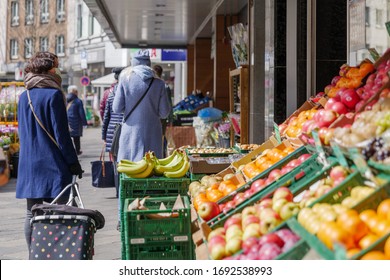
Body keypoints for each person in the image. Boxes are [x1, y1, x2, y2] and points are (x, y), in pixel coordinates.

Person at [16, 51, 83, 250]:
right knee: (58, 211)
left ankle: (34, 254)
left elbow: (23, 131)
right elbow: (62, 135)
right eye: (57, 65)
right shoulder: (54, 94)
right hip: (52, 164)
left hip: (29, 164)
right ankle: (55, 253)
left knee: (32, 212)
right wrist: (73, 163)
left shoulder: (23, 96)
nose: (59, 70)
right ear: (49, 69)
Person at [113, 49, 171, 162]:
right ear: (149, 64)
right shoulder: (159, 84)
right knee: (151, 170)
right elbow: (164, 113)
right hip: (153, 133)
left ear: (134, 63)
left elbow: (116, 108)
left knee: (130, 171)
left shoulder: (125, 80)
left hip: (130, 134)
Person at [101, 67, 125, 197]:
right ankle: (124, 189)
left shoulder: (109, 94)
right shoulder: (128, 93)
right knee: (126, 163)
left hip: (112, 132)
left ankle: (118, 191)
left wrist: (104, 135)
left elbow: (106, 116)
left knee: (116, 163)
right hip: (124, 131)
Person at [153, 64, 174, 157]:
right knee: (161, 140)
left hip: (155, 118)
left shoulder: (154, 86)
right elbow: (169, 104)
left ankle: (159, 156)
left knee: (158, 140)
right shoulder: (164, 86)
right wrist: (170, 119)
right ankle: (161, 156)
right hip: (162, 118)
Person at [66, 85, 88, 155]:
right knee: (76, 137)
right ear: (75, 92)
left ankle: (68, 151)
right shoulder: (78, 101)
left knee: (67, 137)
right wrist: (85, 123)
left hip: (67, 121)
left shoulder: (64, 100)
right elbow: (81, 113)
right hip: (76, 121)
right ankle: (77, 151)